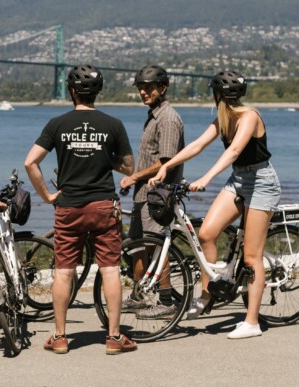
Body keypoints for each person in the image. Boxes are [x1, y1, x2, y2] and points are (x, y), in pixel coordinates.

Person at [147, 70, 281, 339]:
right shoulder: (223, 118)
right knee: (207, 233)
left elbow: (233, 152)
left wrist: (206, 177)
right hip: (239, 180)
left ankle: (252, 322)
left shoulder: (249, 116)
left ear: (218, 94)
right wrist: (167, 166)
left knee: (251, 256)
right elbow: (197, 145)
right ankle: (207, 295)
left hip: (262, 182)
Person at [24, 65, 138, 355]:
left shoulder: (57, 124)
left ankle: (60, 337)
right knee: (111, 269)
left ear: (72, 91)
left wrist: (48, 195)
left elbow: (30, 163)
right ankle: (114, 338)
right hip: (103, 205)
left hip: (69, 206)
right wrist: (104, 155)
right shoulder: (113, 124)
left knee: (63, 272)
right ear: (98, 92)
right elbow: (128, 166)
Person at [118, 65, 185, 318]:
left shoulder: (168, 119)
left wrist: (135, 175)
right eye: (140, 88)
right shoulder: (154, 115)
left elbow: (166, 162)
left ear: (162, 88)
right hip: (142, 193)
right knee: (138, 247)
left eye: (148, 87)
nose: (143, 92)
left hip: (158, 195)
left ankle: (167, 302)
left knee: (157, 246)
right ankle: (139, 296)